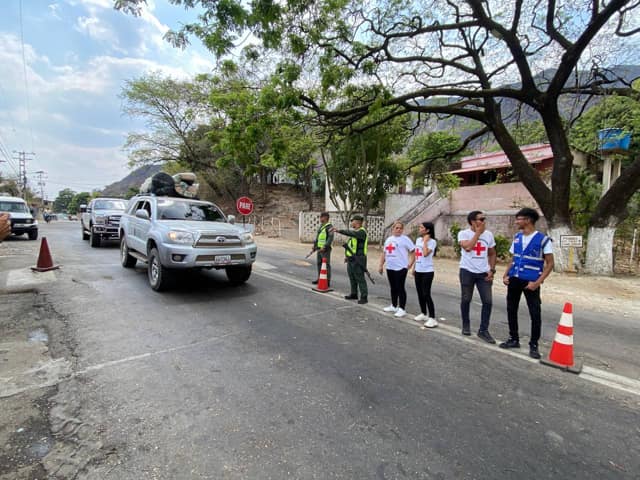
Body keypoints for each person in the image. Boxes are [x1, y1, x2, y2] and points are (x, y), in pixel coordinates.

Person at [500, 208, 554, 359]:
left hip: (531, 281)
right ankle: (513, 339)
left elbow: (550, 264)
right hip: (514, 279)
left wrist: (537, 282)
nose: (516, 222)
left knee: (535, 313)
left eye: (519, 219)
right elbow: (513, 259)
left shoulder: (543, 240)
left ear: (528, 220)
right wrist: (505, 275)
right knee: (511, 309)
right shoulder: (517, 237)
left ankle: (534, 345)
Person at [458, 210, 497, 343]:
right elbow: (468, 247)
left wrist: (491, 270)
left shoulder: (489, 235)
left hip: (483, 273)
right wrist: (478, 233)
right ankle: (466, 325)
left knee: (488, 301)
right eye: (481, 219)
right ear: (473, 221)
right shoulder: (463, 233)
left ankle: (483, 330)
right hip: (467, 271)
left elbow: (492, 253)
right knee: (466, 299)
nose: (483, 221)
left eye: (484, 219)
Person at [378, 222, 415, 318]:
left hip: (401, 267)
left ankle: (402, 308)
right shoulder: (389, 240)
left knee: (400, 287)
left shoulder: (405, 239)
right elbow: (384, 253)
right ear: (393, 229)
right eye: (397, 228)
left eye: (400, 228)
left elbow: (413, 251)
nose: (399, 230)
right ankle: (394, 305)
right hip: (390, 267)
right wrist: (381, 265)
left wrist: (410, 263)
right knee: (393, 287)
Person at [331, 215, 369, 304]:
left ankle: (364, 297)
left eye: (352, 221)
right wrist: (347, 257)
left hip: (359, 258)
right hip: (352, 258)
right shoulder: (355, 232)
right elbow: (351, 246)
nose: (351, 222)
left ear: (357, 222)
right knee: (352, 277)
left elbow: (351, 233)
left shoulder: (361, 232)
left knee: (360, 278)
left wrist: (339, 231)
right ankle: (354, 294)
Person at [411, 222, 438, 328]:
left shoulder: (432, 242)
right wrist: (414, 267)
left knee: (426, 293)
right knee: (420, 293)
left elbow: (426, 254)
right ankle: (423, 313)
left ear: (427, 230)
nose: (420, 229)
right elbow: (417, 255)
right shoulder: (418, 240)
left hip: (427, 271)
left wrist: (425, 242)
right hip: (418, 270)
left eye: (422, 227)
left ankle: (432, 318)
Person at [312, 212, 334, 286]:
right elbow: (318, 237)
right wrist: (314, 246)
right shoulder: (322, 226)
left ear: (325, 218)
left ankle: (327, 281)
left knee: (326, 265)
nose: (320, 218)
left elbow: (330, 238)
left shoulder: (330, 227)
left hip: (325, 250)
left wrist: (325, 246)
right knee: (319, 264)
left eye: (321, 217)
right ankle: (320, 278)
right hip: (319, 249)